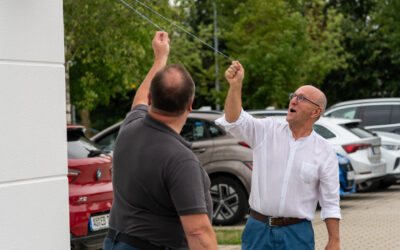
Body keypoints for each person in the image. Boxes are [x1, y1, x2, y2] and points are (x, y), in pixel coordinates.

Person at [103, 31, 217, 250]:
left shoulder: (130, 127)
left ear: (151, 98)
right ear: (190, 105)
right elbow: (197, 232)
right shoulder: (181, 160)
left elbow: (139, 99)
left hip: (115, 242)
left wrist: (160, 58)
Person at [215, 61, 341, 250]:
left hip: (297, 234)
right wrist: (235, 86)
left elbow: (330, 202)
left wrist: (334, 241)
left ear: (316, 111)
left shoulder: (324, 151)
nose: (293, 100)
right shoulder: (267, 130)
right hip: (257, 229)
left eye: (302, 98)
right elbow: (234, 120)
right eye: (294, 96)